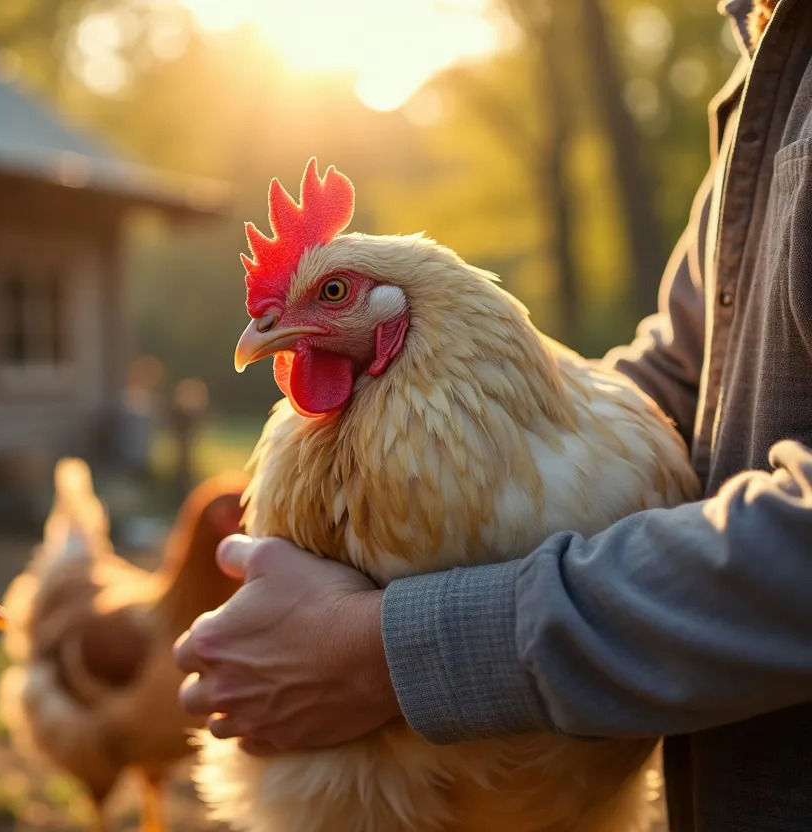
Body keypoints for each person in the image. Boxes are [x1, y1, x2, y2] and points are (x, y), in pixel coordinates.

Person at [174, 1, 812, 829]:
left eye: (334, 295)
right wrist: (518, 424)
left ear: (407, 310)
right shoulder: (769, 55)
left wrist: (383, 651)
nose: (266, 330)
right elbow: (699, 363)